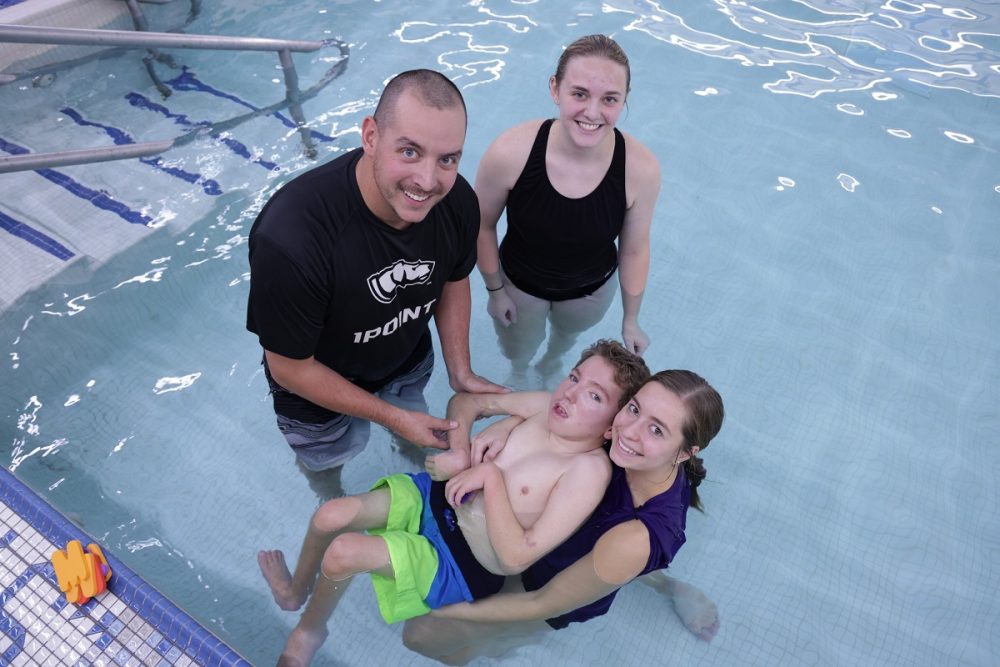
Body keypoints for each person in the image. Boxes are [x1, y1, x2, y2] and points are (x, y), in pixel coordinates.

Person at [257, 340, 650, 666]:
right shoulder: (545, 407)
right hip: (436, 498)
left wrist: (491, 477)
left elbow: (515, 559)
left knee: (344, 552)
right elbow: (467, 402)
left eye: (594, 396)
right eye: (575, 377)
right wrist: (462, 452)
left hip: (461, 560)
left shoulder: (586, 471)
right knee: (331, 515)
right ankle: (294, 592)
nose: (571, 393)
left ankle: (310, 629)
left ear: (613, 426)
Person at [246, 69, 505, 483]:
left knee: (414, 425)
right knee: (328, 460)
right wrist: (393, 417)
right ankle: (330, 493)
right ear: (370, 136)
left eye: (447, 159)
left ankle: (406, 442)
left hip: (405, 361)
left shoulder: (457, 203)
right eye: (409, 152)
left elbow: (455, 278)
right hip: (316, 393)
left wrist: (460, 370)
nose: (427, 181)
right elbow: (289, 369)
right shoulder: (293, 237)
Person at [402, 369, 725, 664]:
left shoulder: (637, 536)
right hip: (550, 537)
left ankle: (669, 587)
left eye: (656, 430)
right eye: (634, 409)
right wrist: (508, 426)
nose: (628, 431)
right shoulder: (619, 433)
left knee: (421, 635)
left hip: (549, 585)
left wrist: (448, 611)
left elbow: (542, 603)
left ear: (684, 453)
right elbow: (562, 418)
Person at [475, 34, 662, 382]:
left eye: (609, 99)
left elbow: (635, 250)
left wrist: (631, 319)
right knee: (518, 351)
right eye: (579, 94)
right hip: (518, 285)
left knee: (565, 341)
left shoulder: (641, 169)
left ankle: (551, 363)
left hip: (589, 294)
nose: (592, 112)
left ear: (624, 100)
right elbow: (481, 226)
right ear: (554, 89)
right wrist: (495, 290)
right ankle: (519, 373)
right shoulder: (510, 152)